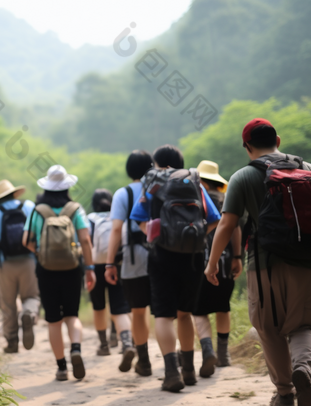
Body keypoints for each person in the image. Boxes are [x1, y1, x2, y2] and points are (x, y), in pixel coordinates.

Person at [205, 119, 311, 406]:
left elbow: (227, 225)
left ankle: (284, 392)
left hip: (263, 267)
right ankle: (304, 370)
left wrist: (212, 264)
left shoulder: (242, 177)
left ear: (247, 146)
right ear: (279, 140)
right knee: (304, 324)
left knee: (269, 329)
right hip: (307, 263)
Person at [129, 145, 221, 393]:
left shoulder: (153, 182)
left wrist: (156, 236)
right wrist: (198, 237)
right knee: (185, 313)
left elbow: (137, 218)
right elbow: (214, 219)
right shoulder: (194, 182)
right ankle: (189, 370)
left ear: (157, 164)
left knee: (163, 315)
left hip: (162, 256)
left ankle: (171, 373)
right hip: (193, 256)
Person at [22, 165, 96, 381]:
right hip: (73, 269)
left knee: (53, 320)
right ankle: (76, 349)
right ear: (66, 187)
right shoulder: (75, 209)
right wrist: (90, 268)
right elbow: (85, 240)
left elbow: (25, 240)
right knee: (72, 315)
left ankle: (62, 368)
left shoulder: (38, 211)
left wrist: (41, 253)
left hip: (46, 270)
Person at [104, 150, 155, 377]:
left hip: (133, 258)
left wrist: (109, 263)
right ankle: (178, 360)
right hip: (160, 255)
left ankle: (144, 362)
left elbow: (116, 229)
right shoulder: (158, 188)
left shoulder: (122, 194)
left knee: (138, 311)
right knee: (166, 313)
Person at [192, 160, 243, 368]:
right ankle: (224, 355)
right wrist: (237, 257)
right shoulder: (226, 199)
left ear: (201, 181)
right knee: (223, 307)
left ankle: (207, 351)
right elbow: (236, 229)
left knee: (198, 310)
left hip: (200, 263)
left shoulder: (196, 199)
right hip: (225, 262)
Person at [0, 179, 39, 354]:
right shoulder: (28, 206)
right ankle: (28, 314)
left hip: (5, 263)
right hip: (29, 260)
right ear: (14, 193)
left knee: (7, 304)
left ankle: (12, 342)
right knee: (32, 297)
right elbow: (37, 231)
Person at [87, 189, 135, 370]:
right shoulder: (118, 216)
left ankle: (104, 345)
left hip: (95, 266)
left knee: (99, 307)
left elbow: (86, 242)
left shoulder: (90, 218)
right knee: (120, 309)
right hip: (117, 264)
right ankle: (127, 343)